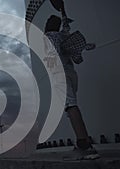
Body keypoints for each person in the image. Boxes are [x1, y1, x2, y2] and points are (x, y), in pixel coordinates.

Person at [43, 5, 100, 160]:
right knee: (71, 107)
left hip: (60, 75)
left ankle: (85, 146)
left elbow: (52, 56)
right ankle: (81, 143)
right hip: (71, 73)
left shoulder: (48, 37)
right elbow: (75, 45)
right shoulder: (62, 35)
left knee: (71, 106)